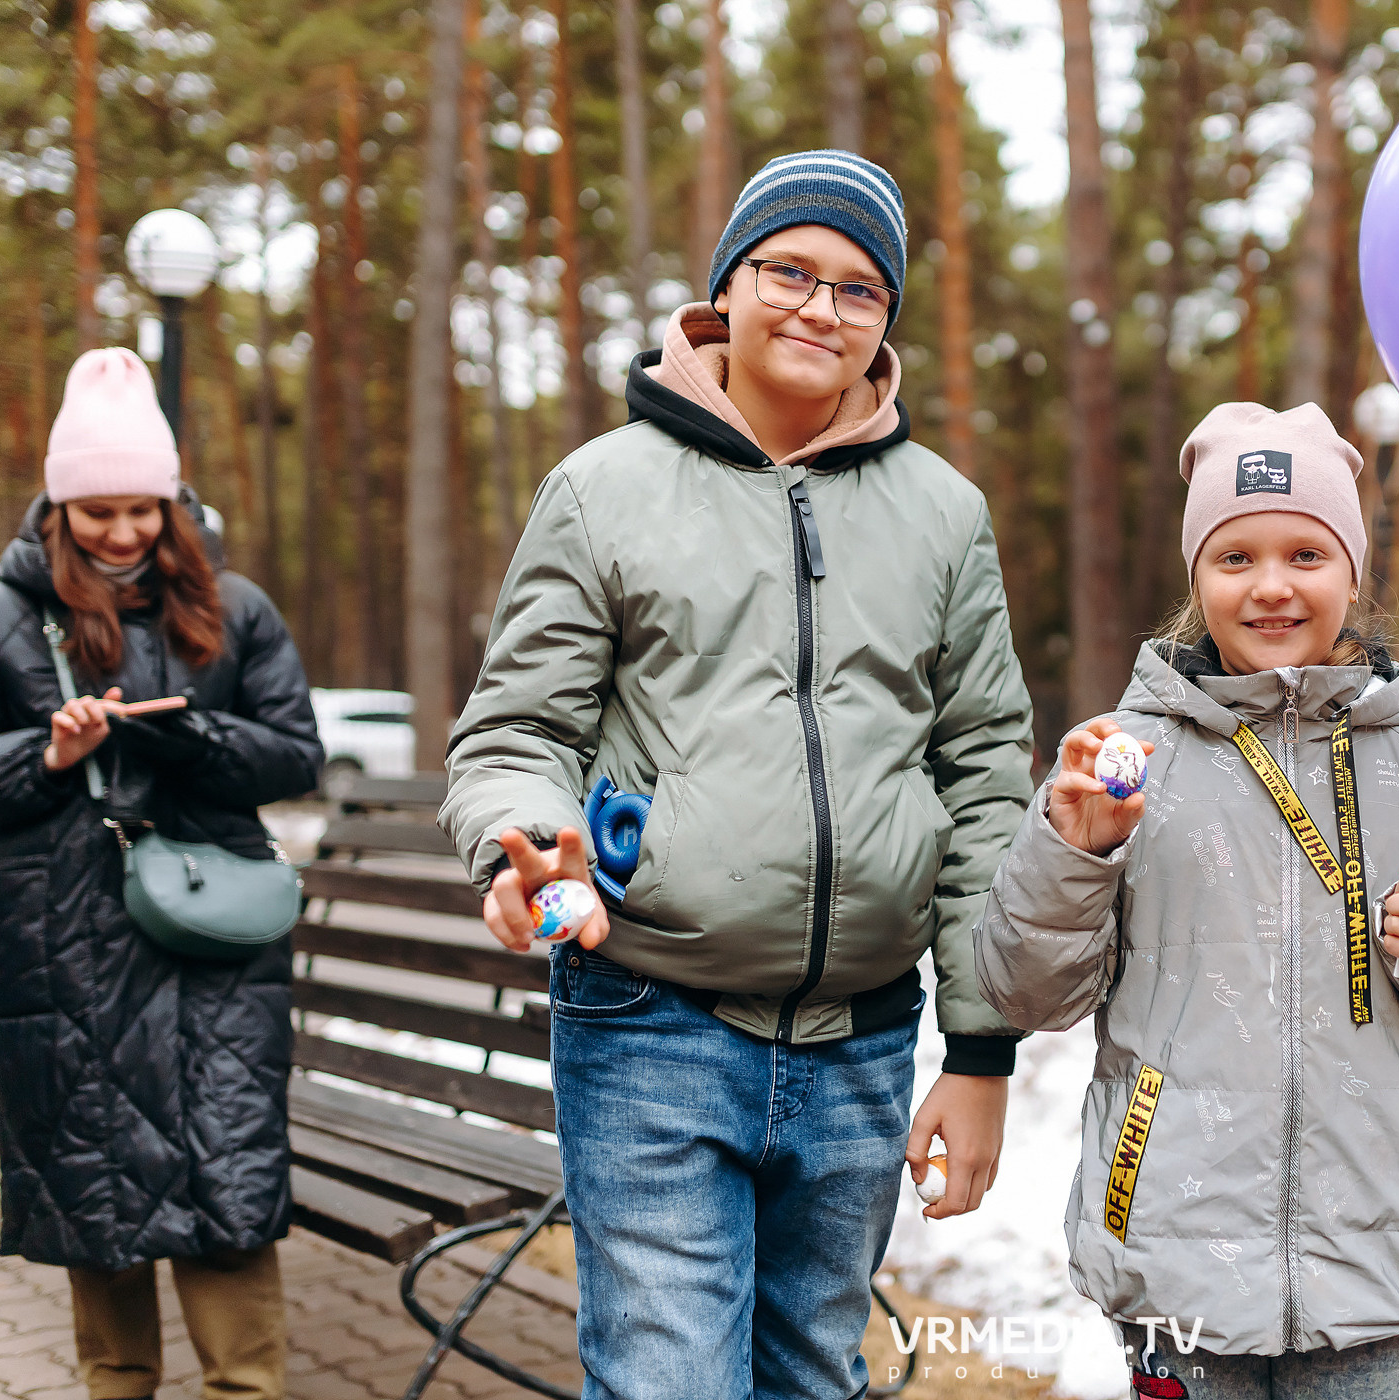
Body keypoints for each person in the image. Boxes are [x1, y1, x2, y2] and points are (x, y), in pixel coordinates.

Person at [440, 150, 1035, 1399]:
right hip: (653, 1017)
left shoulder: (944, 512)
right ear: (725, 290)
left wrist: (979, 1050)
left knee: (816, 1376)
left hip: (864, 1041)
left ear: (887, 322)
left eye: (859, 289)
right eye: (789, 271)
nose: (821, 308)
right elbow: (515, 733)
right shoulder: (602, 490)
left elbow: (984, 773)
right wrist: (521, 839)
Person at [976, 402, 1399, 1398]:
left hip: (1381, 1269)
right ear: (1197, 576)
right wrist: (1075, 854)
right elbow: (1025, 991)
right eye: (1235, 557)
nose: (1272, 585)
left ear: (1352, 569)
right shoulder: (1123, 761)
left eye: (1305, 552)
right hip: (1178, 1259)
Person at [0, 347, 323, 1400]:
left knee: (226, 1178)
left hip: (216, 941)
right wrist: (44, 755)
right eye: (97, 513)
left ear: (173, 501)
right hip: (64, 941)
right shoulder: (7, 615)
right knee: (99, 1197)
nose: (123, 533)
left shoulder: (236, 606)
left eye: (142, 509)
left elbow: (296, 753)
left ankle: (247, 1386)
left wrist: (191, 736)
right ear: (57, 505)